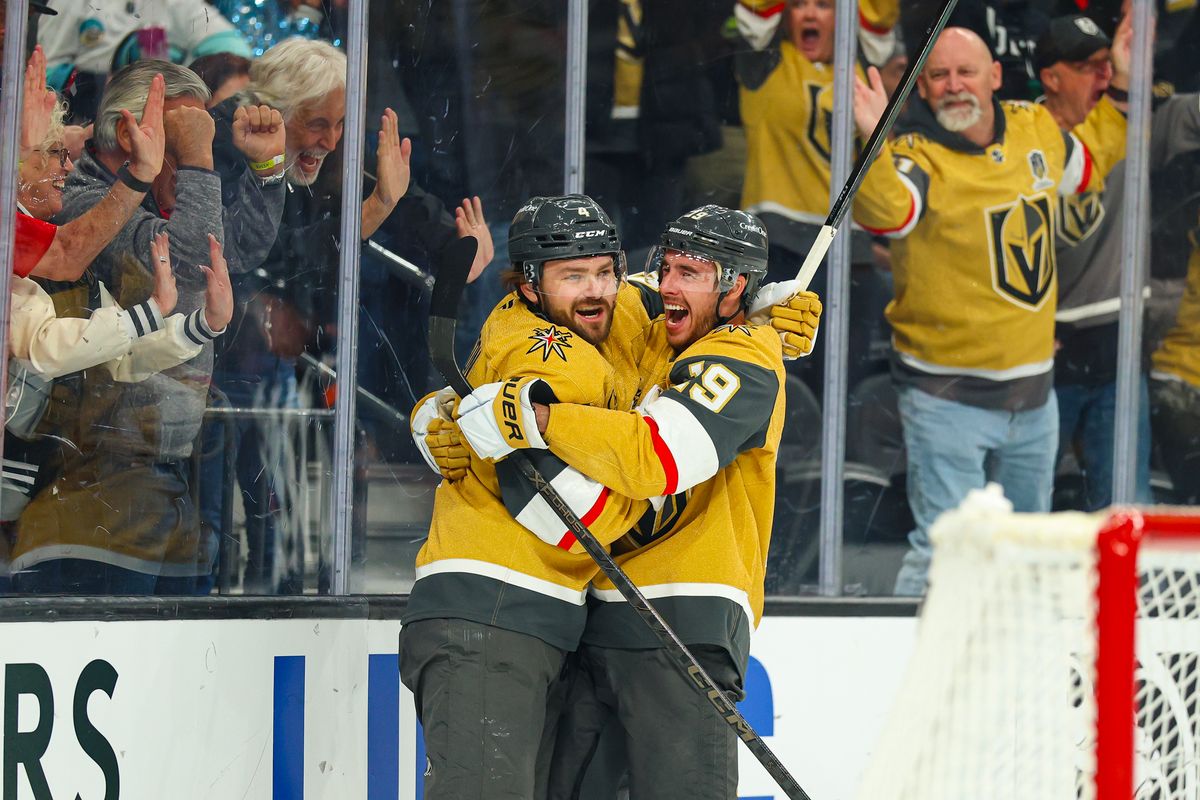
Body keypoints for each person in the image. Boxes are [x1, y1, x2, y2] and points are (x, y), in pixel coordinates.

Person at [452, 206, 797, 799]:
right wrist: (441, 411)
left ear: (736, 285)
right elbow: (542, 317)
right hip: (597, 616)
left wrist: (539, 419)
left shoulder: (747, 356)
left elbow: (655, 459)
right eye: (665, 267)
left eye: (690, 272)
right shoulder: (650, 325)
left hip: (686, 615)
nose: (668, 285)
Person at [202, 36, 492, 591]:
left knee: (275, 518)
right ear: (276, 109)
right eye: (317, 124)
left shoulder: (323, 153)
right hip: (218, 372)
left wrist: (464, 253)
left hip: (279, 373)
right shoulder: (224, 144)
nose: (331, 142)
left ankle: (277, 600)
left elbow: (401, 201)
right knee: (221, 520)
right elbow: (273, 256)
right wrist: (377, 206)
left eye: (340, 125)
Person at [850, 24, 1130, 595]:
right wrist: (873, 139)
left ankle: (1012, 673)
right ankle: (915, 676)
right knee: (941, 553)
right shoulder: (915, 157)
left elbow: (1089, 163)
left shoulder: (1035, 129)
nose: (954, 86)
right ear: (923, 91)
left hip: (1034, 400)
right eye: (939, 76)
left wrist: (1120, 80)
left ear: (996, 77)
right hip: (945, 401)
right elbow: (888, 214)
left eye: (966, 72)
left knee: (1026, 553)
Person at [400, 195, 664, 799]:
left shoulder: (523, 319)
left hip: (525, 617)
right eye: (573, 277)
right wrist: (640, 493)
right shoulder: (557, 351)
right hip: (490, 609)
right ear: (528, 286)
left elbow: (658, 290)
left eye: (604, 271)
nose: (595, 290)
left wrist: (752, 307)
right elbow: (569, 519)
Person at [8, 59, 285, 595]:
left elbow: (235, 250)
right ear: (125, 130)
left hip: (171, 469)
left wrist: (268, 169)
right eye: (180, 128)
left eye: (198, 130)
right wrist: (200, 159)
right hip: (100, 480)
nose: (192, 139)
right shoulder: (85, 198)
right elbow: (189, 262)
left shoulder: (165, 183)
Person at [1038, 13, 1178, 509]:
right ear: (1050, 77)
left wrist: (1122, 73)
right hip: (1043, 352)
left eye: (1106, 65)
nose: (1101, 74)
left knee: (1125, 508)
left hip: (1118, 345)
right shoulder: (1024, 141)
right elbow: (1088, 153)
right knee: (1022, 510)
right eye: (1086, 66)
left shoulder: (1125, 124)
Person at [735, 0, 898, 394]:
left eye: (824, 5)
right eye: (800, 4)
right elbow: (755, 12)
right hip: (778, 249)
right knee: (773, 381)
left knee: (842, 387)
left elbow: (880, 14)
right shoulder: (765, 63)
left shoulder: (861, 68)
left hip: (849, 256)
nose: (809, 14)